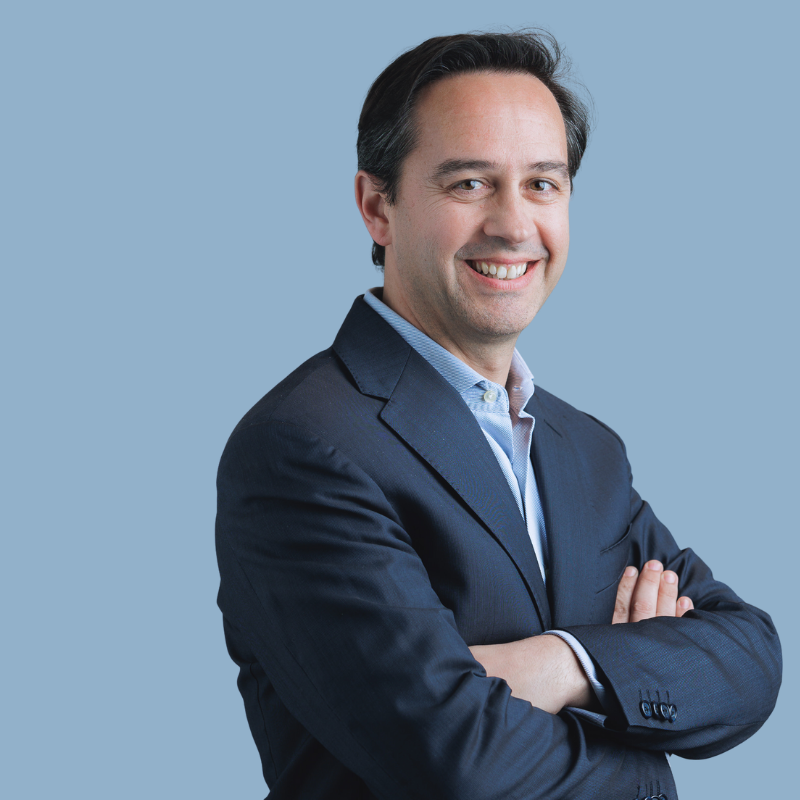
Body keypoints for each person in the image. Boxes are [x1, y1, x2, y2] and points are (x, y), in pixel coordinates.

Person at [215, 31, 781, 799]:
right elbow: (454, 756)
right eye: (470, 183)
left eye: (542, 183)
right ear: (377, 207)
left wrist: (563, 663)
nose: (514, 225)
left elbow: (749, 657)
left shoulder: (584, 450)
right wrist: (643, 739)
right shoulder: (302, 447)